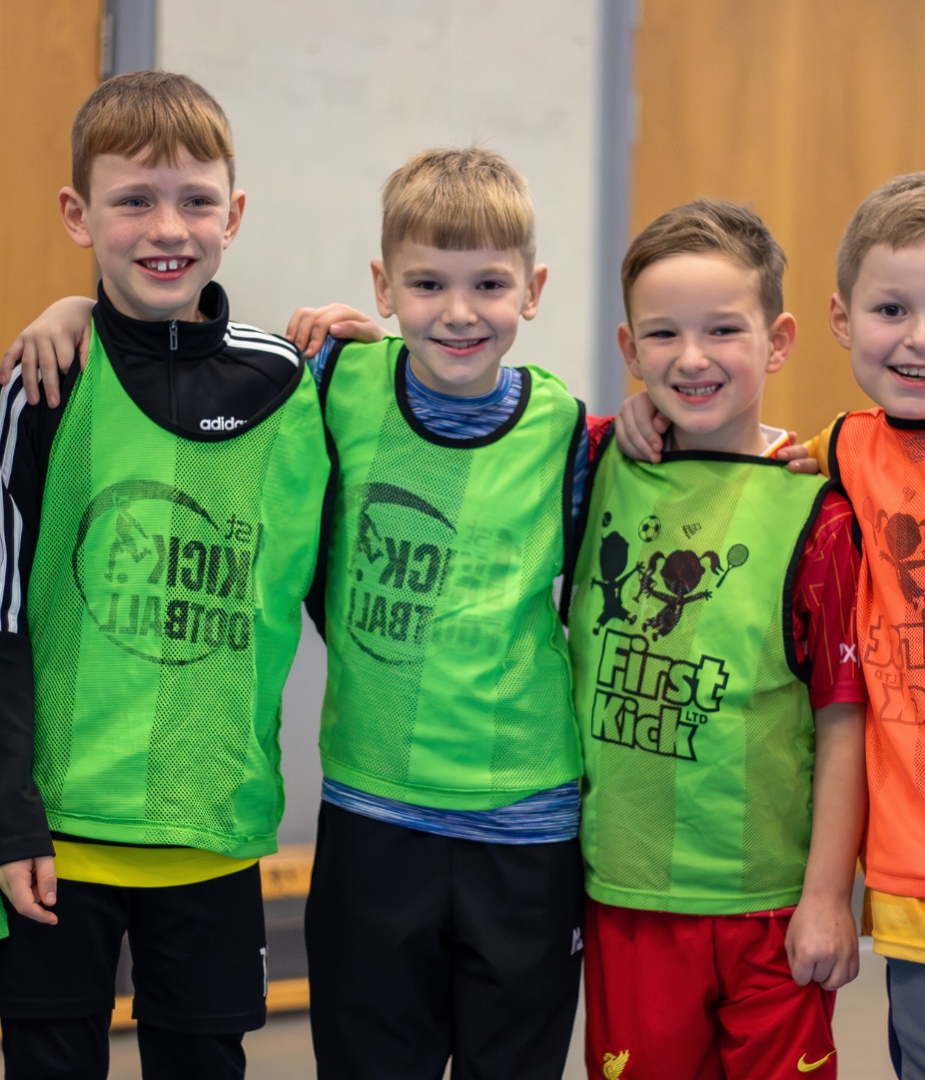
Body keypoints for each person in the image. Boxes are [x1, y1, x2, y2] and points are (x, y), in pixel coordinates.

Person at [4, 145, 595, 1080]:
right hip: (371, 811)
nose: (458, 309)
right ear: (384, 286)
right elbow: (178, 348)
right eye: (427, 283)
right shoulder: (328, 383)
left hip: (525, 824)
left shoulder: (572, 431)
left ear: (533, 289)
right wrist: (74, 310)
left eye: (489, 282)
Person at [619, 172, 925, 1080]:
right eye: (890, 309)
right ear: (840, 320)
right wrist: (652, 410)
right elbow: (733, 447)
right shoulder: (836, 457)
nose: (919, 337)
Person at [0, 71, 330, 1080]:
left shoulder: (291, 383)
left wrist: (367, 343)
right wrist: (12, 818)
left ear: (233, 215)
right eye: (133, 199)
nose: (165, 226)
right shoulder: (45, 380)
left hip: (214, 833)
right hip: (59, 843)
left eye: (194, 200)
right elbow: (4, 615)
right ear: (78, 213)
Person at [568, 198, 867, 1080]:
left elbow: (844, 724)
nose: (690, 360)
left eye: (722, 331)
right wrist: (353, 336)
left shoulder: (819, 509)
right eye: (661, 335)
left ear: (777, 341)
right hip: (627, 901)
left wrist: (827, 898)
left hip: (770, 909)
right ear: (629, 351)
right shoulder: (589, 462)